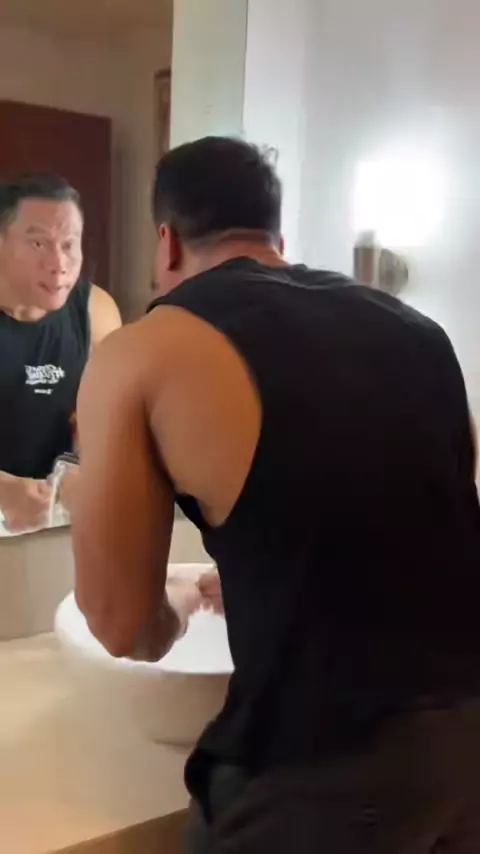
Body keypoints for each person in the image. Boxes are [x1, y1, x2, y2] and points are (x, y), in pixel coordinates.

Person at [71, 137, 480, 853]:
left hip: (325, 769)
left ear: (167, 243)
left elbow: (121, 625)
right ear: (278, 241)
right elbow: (422, 521)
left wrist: (176, 607)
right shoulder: (420, 331)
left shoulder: (140, 350)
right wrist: (260, 582)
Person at [0, 172, 121, 532]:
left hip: (55, 519)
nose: (58, 263)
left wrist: (80, 468)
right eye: (38, 243)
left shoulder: (96, 311)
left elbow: (106, 416)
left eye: (69, 244)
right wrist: (4, 490)